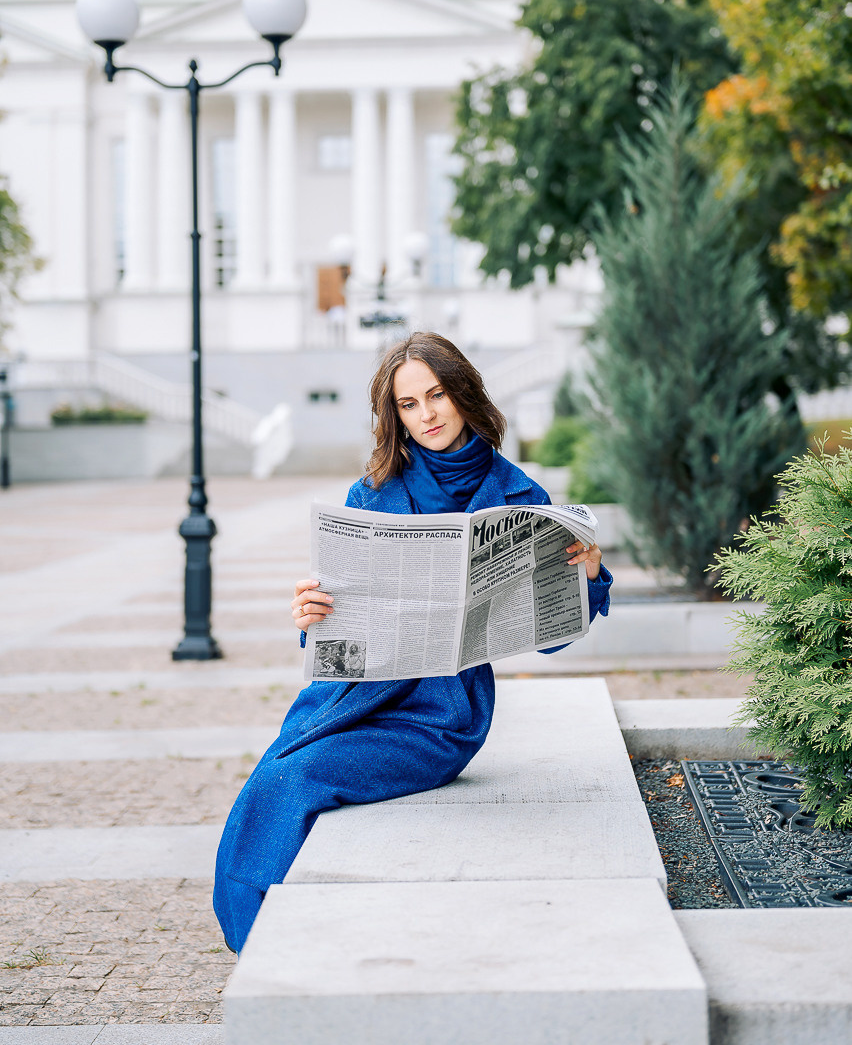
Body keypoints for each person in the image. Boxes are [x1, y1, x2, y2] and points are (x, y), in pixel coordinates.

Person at [213, 333, 612, 953]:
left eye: (437, 395)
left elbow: (553, 641)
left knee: (297, 781)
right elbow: (339, 623)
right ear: (392, 414)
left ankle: (268, 945)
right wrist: (311, 613)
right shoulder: (370, 494)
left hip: (439, 720)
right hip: (351, 696)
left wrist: (585, 576)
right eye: (408, 404)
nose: (426, 415)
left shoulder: (520, 499)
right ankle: (262, 940)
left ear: (463, 394)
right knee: (271, 776)